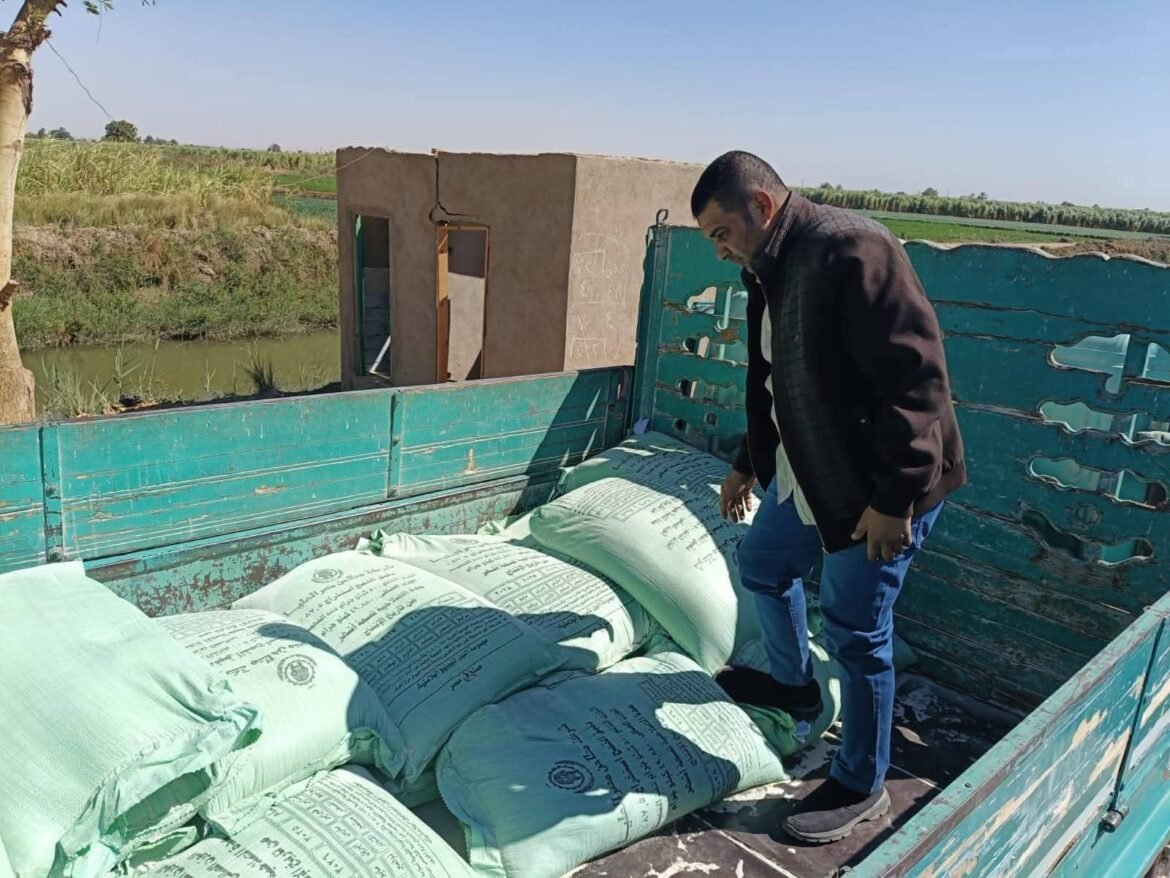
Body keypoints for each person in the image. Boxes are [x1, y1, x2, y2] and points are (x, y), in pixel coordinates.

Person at [690, 151, 966, 844]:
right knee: (763, 565)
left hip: (878, 486)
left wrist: (895, 500)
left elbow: (918, 381)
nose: (719, 250)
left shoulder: (852, 249)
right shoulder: (769, 266)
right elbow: (770, 377)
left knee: (856, 629)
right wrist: (748, 461)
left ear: (762, 206)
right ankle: (794, 686)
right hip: (809, 469)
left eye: (722, 232)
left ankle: (862, 779)